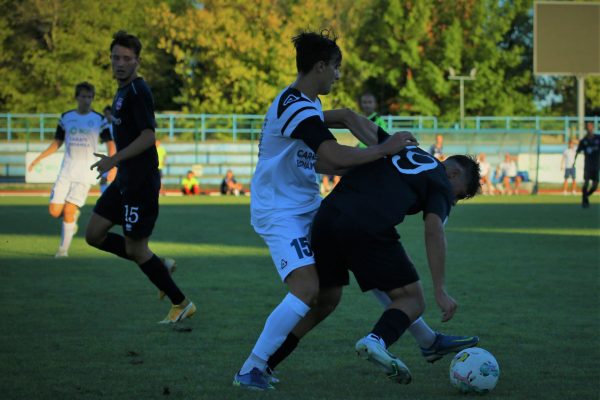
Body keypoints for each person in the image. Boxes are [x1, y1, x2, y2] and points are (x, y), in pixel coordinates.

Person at [233, 30, 420, 390]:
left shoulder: (309, 103)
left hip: (307, 206)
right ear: (319, 66)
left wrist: (378, 154)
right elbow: (332, 155)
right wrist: (385, 149)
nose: (338, 75)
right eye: (336, 68)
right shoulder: (295, 106)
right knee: (306, 287)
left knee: (329, 295)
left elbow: (327, 155)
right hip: (279, 212)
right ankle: (250, 368)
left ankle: (264, 365)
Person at [268, 142, 482, 385]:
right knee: (412, 299)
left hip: (328, 216)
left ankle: (263, 364)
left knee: (325, 301)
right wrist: (440, 289)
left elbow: (362, 137)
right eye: (459, 194)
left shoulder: (404, 148)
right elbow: (434, 230)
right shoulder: (442, 182)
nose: (454, 201)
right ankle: (376, 340)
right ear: (453, 174)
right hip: (366, 225)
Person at [86, 31, 195, 323]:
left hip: (140, 182)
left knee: (136, 248)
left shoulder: (138, 91)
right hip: (124, 180)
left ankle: (180, 302)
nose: (120, 63)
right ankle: (159, 265)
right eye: (115, 57)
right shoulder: (121, 91)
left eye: (126, 58)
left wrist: (114, 159)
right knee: (93, 235)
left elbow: (148, 137)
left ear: (137, 61)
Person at [28, 82, 116, 258]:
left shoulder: (99, 120)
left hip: (86, 173)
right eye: (83, 96)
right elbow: (57, 142)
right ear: (76, 97)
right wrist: (38, 158)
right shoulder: (66, 117)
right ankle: (71, 221)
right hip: (66, 170)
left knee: (68, 209)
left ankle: (63, 251)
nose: (86, 100)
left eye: (89, 97)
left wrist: (112, 165)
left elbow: (110, 144)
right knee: (54, 211)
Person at [574, 122, 600, 208]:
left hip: (596, 165)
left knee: (595, 186)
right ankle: (585, 201)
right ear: (586, 128)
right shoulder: (583, 140)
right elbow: (577, 151)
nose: (589, 128)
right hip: (588, 166)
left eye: (591, 126)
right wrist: (574, 162)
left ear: (593, 128)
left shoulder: (598, 138)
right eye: (588, 126)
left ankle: (585, 197)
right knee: (586, 183)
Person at [100, 105, 115, 194]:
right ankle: (104, 195)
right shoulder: (104, 125)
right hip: (111, 157)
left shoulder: (117, 124)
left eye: (109, 114)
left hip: (117, 157)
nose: (107, 116)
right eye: (105, 114)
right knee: (103, 178)